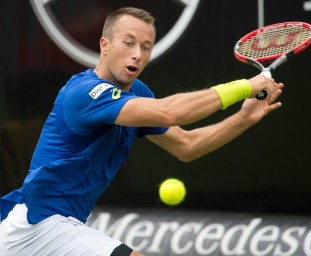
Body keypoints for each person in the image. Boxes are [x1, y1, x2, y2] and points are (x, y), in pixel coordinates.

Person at [0, 6, 283, 256]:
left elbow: (186, 145)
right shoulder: (84, 93)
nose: (137, 54)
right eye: (129, 43)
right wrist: (245, 86)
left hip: (58, 227)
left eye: (146, 47)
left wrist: (243, 119)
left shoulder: (136, 93)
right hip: (37, 225)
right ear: (105, 45)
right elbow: (170, 111)